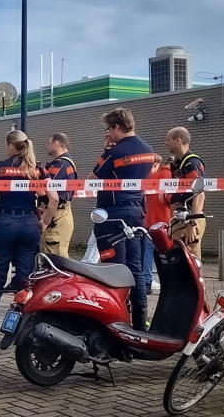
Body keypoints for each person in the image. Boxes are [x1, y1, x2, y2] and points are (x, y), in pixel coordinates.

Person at [0, 130, 58, 348]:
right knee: (26, 282)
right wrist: (44, 223)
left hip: (5, 224)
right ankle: (23, 332)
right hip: (29, 225)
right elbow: (53, 198)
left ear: (10, 145)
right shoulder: (37, 168)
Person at [88, 108, 154, 331]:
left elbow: (91, 181)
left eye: (109, 129)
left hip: (111, 216)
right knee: (135, 267)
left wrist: (106, 151)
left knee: (113, 266)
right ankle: (141, 321)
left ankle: (117, 319)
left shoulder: (113, 153)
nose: (108, 133)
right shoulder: (148, 151)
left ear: (117, 127)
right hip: (136, 213)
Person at [165, 127, 206, 259]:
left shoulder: (191, 163)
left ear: (178, 141)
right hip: (179, 218)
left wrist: (192, 224)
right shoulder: (177, 163)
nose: (166, 143)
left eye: (168, 139)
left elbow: (199, 194)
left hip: (188, 217)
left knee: (190, 260)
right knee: (179, 259)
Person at [38, 133, 77, 258]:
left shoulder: (60, 165)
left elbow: (45, 192)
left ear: (56, 143)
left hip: (56, 217)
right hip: (60, 214)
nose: (47, 146)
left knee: (54, 259)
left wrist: (34, 181)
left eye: (49, 143)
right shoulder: (67, 163)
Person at [143, 154, 171, 294]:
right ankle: (170, 283)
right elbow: (169, 199)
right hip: (164, 221)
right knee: (167, 253)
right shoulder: (170, 176)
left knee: (148, 252)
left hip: (149, 220)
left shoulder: (150, 177)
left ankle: (146, 282)